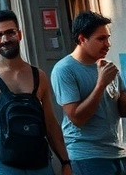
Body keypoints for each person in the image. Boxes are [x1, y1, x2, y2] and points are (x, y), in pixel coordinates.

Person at [0, 9, 73, 175]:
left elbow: (50, 122)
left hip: (40, 162)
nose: (5, 39)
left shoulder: (39, 76)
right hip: (3, 163)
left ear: (20, 35)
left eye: (10, 32)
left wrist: (65, 162)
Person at [51, 11, 126, 173]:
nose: (108, 44)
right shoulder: (64, 70)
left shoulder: (108, 67)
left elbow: (122, 111)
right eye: (101, 39)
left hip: (117, 152)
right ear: (81, 39)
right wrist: (101, 84)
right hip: (87, 156)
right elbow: (77, 118)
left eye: (108, 37)